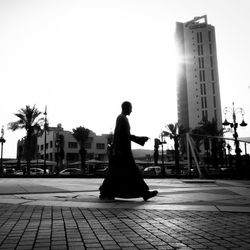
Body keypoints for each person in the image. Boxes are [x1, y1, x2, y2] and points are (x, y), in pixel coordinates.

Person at [99, 101, 158, 201]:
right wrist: (138, 139)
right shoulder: (122, 118)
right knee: (133, 172)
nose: (132, 110)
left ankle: (106, 192)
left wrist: (139, 139)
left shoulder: (121, 118)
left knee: (115, 173)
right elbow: (121, 135)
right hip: (123, 152)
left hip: (121, 151)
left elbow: (122, 135)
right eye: (130, 108)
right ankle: (144, 193)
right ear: (125, 108)